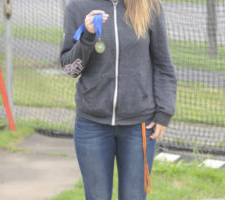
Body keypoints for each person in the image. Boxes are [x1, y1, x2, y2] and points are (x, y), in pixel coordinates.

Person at [60, 0, 177, 199]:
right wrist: (87, 37)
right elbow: (71, 69)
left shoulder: (149, 7)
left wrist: (164, 111)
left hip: (139, 126)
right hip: (91, 126)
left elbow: (163, 65)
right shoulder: (77, 6)